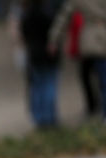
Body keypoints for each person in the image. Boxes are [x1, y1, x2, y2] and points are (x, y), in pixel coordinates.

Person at [49, 0, 106, 120]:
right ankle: (98, 109)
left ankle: (95, 108)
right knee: (100, 77)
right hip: (96, 40)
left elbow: (64, 17)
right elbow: (64, 16)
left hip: (90, 40)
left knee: (95, 77)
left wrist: (54, 39)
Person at [20, 0, 62, 128]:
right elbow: (55, 32)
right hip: (48, 53)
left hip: (34, 53)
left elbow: (24, 33)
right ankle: (49, 117)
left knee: (37, 87)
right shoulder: (48, 13)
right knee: (49, 85)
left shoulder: (26, 14)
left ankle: (38, 117)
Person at [67, 11, 100, 118]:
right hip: (86, 51)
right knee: (89, 78)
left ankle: (95, 106)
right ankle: (93, 106)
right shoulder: (78, 12)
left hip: (94, 50)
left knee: (98, 79)